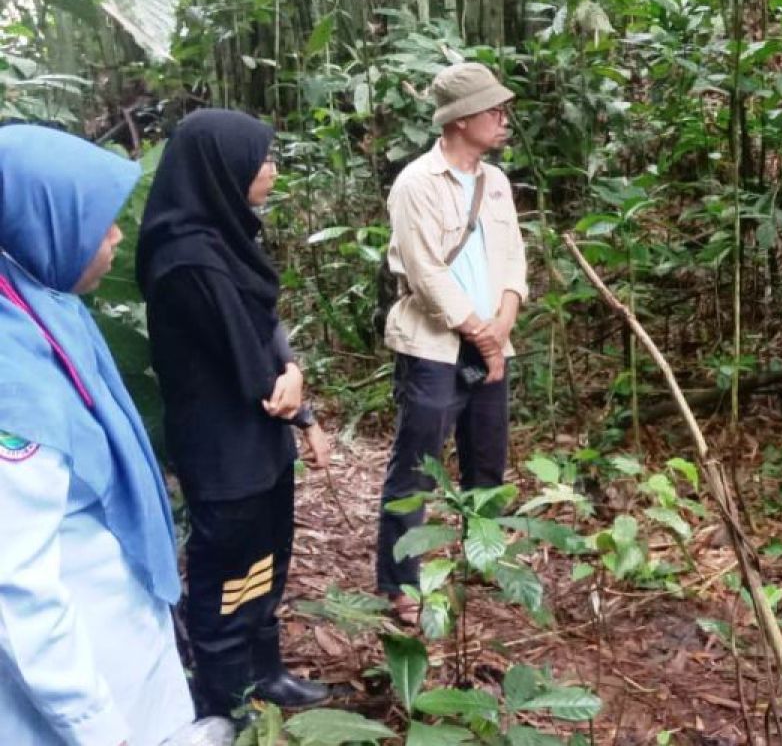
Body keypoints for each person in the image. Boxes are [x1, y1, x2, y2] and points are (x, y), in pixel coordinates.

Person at [0, 125, 195, 745]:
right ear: (45, 225)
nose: (115, 236)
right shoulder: (11, 379)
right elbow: (16, 587)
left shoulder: (42, 306)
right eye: (99, 223)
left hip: (120, 636)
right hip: (79, 680)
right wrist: (99, 728)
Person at [136, 110, 331, 718]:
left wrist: (297, 382)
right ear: (222, 168)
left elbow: (267, 325)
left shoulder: (226, 236)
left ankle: (264, 669)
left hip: (259, 441)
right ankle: (223, 692)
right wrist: (294, 398)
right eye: (262, 160)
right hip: (223, 446)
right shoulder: (186, 259)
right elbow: (252, 364)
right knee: (228, 569)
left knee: (267, 553)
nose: (270, 171)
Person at [376, 62, 528, 621]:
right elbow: (425, 271)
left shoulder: (496, 183)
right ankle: (400, 583)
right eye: (492, 109)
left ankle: (479, 561)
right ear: (460, 120)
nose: (502, 117)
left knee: (487, 457)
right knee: (415, 466)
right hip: (434, 345)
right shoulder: (417, 183)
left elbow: (513, 256)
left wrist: (505, 320)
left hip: (493, 339)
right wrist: (480, 334)